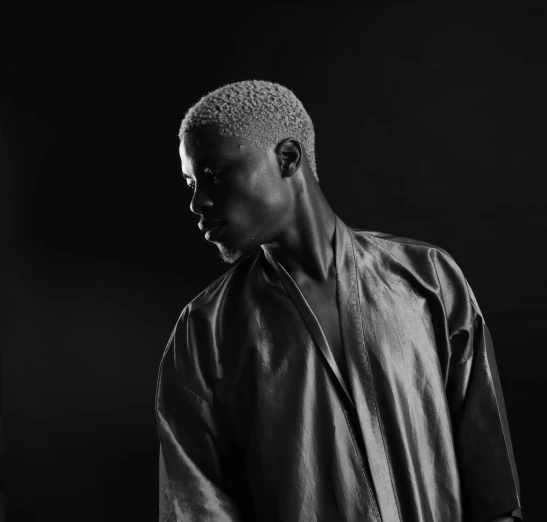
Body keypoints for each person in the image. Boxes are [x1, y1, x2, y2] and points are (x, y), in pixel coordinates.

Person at [156, 80, 522, 521]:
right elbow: (196, 508)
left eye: (212, 174)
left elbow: (495, 489)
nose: (198, 202)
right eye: (191, 182)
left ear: (287, 158)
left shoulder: (429, 280)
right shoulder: (203, 333)